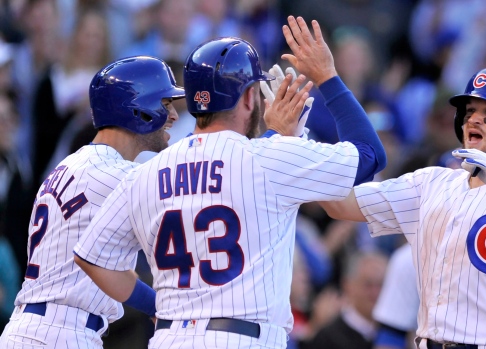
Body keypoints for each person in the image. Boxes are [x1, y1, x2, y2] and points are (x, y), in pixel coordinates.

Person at [73, 15, 386, 349]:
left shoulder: (146, 172)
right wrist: (328, 77)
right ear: (250, 98)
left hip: (169, 336)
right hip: (241, 339)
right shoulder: (269, 158)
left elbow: (90, 257)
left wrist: (158, 308)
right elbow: (370, 155)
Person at [320, 66, 486, 349]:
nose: (474, 119)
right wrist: (322, 90)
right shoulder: (432, 181)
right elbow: (339, 204)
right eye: (469, 111)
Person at [0, 55, 185, 348]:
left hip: (38, 328)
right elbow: (203, 190)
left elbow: (113, 268)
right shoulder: (115, 175)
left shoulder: (76, 165)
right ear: (137, 109)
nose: (174, 115)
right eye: (165, 104)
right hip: (61, 331)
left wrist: (157, 306)